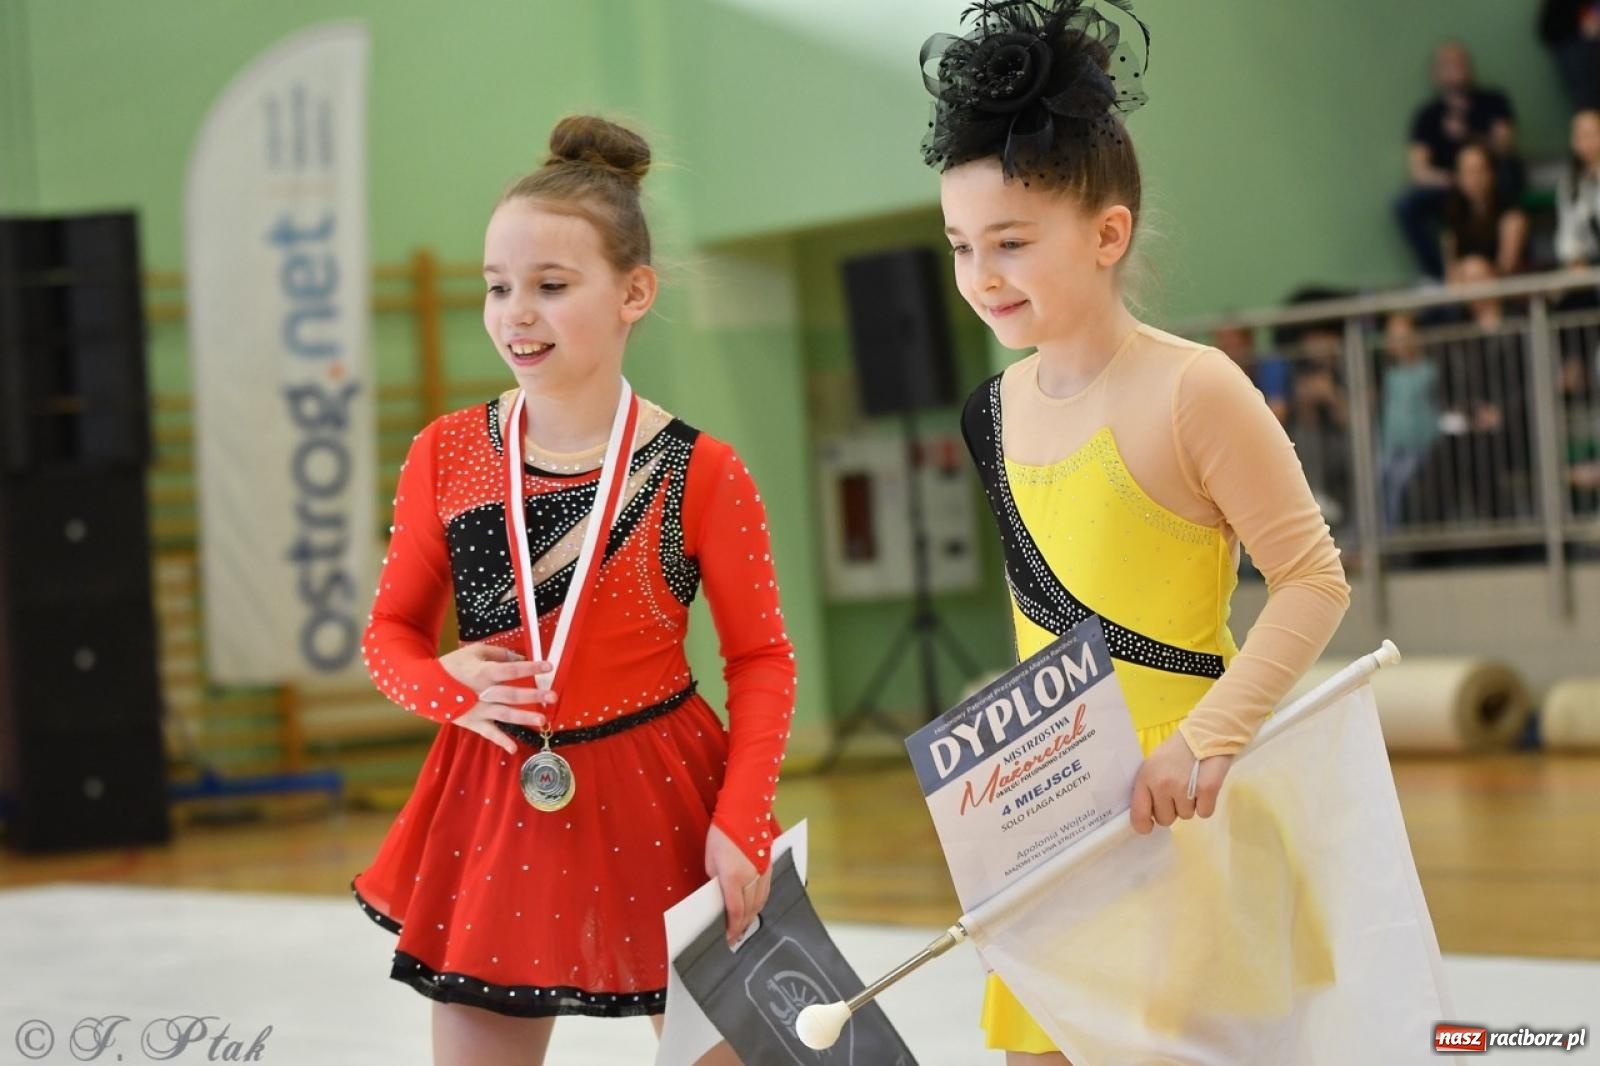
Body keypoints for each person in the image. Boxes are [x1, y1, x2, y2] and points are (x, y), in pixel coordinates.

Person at [919, 1, 1351, 1060]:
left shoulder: (1195, 389)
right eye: (962, 246)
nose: (982, 276)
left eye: (1011, 243)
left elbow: (1313, 580)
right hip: (1059, 816)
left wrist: (1208, 739)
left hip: (1188, 804)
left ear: (1106, 234)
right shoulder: (990, 412)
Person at [351, 115, 795, 1066]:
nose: (517, 313)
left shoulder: (703, 471)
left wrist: (744, 819)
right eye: (497, 286)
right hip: (496, 800)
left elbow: (762, 659)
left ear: (634, 292)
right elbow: (387, 633)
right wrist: (444, 688)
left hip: (667, 798)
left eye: (551, 287)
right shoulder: (445, 454)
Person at [1395, 42, 1522, 279]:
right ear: (1436, 73)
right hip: (1450, 183)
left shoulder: (1493, 101)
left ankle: (1498, 267)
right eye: (1448, 64)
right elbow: (1418, 170)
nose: (1456, 69)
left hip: (1493, 175)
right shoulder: (1428, 115)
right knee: (1405, 204)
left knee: (1509, 173)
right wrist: (1456, 179)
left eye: (1460, 62)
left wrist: (1469, 135)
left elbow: (1505, 146)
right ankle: (1438, 277)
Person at [1441, 141, 1528, 277]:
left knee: (1474, 268)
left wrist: (1476, 270)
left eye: (1479, 170)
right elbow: (1450, 272)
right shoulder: (1454, 215)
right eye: (1467, 172)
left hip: (1506, 285)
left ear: (1492, 173)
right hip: (1466, 284)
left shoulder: (1511, 215)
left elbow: (1507, 269)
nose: (1474, 179)